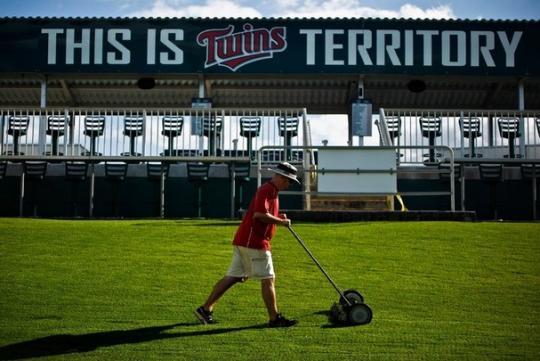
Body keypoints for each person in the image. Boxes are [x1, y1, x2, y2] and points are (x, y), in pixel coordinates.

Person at [194, 161, 300, 328]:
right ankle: (274, 319)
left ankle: (205, 309)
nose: (289, 184)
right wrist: (280, 221)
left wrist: (278, 215)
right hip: (254, 242)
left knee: (233, 277)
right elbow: (259, 214)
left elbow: (263, 212)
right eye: (288, 180)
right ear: (280, 177)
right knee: (268, 279)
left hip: (245, 240)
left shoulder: (272, 191)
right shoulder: (267, 190)